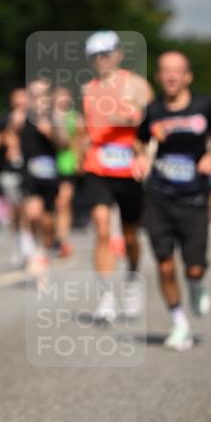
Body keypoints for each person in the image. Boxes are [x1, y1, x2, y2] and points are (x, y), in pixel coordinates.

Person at [134, 51, 211, 350]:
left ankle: (195, 284)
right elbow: (140, 141)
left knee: (193, 268)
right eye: (165, 71)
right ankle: (179, 322)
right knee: (165, 264)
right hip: (159, 197)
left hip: (194, 198)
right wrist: (141, 159)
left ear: (188, 76)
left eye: (177, 71)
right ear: (158, 76)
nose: (171, 76)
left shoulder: (204, 106)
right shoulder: (152, 110)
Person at [81, 31, 153, 322]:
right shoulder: (88, 89)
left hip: (129, 166)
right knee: (101, 229)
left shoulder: (136, 84)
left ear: (118, 54)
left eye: (106, 53)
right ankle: (107, 297)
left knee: (131, 235)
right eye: (95, 56)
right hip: (98, 166)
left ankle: (133, 282)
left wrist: (146, 156)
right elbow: (87, 128)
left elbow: (150, 126)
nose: (101, 60)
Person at [20, 79, 64, 274]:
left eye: (43, 95)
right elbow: (6, 134)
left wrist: (52, 134)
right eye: (35, 95)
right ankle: (32, 250)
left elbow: (65, 143)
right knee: (32, 213)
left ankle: (46, 248)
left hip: (50, 175)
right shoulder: (23, 117)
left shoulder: (54, 118)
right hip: (31, 174)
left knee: (47, 220)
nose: (39, 100)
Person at [0, 88, 29, 268]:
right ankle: (19, 240)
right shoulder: (4, 118)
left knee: (30, 207)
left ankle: (28, 241)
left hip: (29, 169)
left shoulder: (34, 118)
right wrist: (10, 134)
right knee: (15, 207)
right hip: (10, 170)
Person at [52, 86, 84, 258]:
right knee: (55, 205)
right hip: (50, 166)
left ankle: (62, 239)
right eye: (59, 97)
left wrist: (79, 160)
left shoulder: (74, 117)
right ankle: (55, 238)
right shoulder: (47, 117)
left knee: (63, 202)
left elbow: (74, 139)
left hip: (68, 164)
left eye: (65, 97)